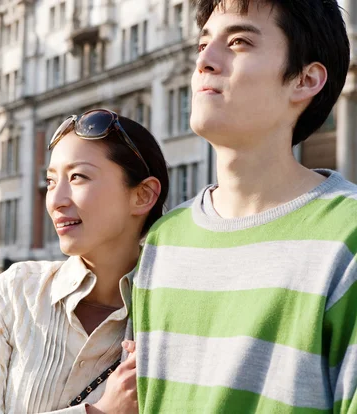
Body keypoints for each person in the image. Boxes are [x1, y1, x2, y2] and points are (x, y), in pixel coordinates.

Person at [132, 0, 357, 412]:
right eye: (202, 45)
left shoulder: (348, 236)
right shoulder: (164, 239)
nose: (205, 62)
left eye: (237, 42)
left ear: (305, 80)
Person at [0, 109, 169, 413]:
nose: (55, 200)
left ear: (143, 195)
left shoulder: (172, 315)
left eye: (77, 177)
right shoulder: (16, 294)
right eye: (51, 181)